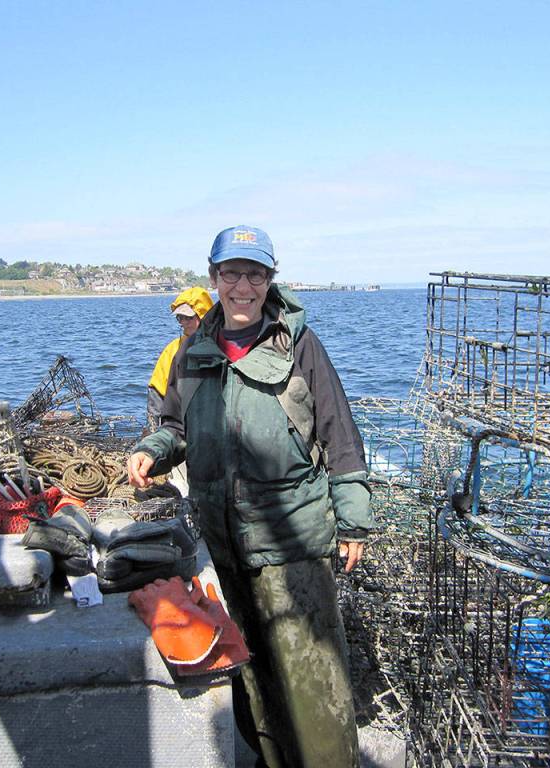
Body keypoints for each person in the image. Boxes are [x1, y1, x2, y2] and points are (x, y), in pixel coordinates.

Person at [127, 225, 373, 767]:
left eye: (255, 274)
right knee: (252, 675)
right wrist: (152, 450)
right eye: (232, 273)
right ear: (213, 278)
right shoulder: (193, 349)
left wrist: (353, 518)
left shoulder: (299, 344)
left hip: (292, 542)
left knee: (313, 682)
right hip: (225, 542)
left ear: (270, 280)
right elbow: (176, 426)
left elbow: (339, 433)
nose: (243, 286)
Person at [146, 286, 213, 430]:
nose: (183, 322)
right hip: (177, 426)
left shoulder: (220, 346)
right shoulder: (172, 350)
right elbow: (156, 393)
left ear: (203, 315)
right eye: (180, 317)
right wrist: (154, 432)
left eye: (188, 317)